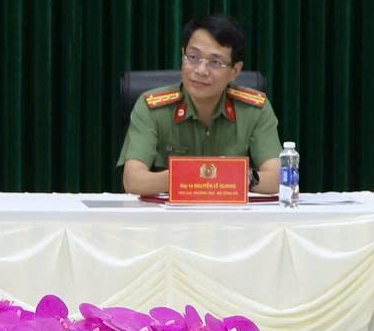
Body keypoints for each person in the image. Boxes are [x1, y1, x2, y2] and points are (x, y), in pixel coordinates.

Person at [119, 14, 282, 196]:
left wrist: (239, 177)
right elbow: (133, 181)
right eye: (193, 57)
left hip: (232, 213)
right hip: (170, 213)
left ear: (235, 71)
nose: (201, 70)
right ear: (183, 56)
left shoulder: (254, 109)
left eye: (215, 62)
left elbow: (278, 178)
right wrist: (197, 176)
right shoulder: (152, 107)